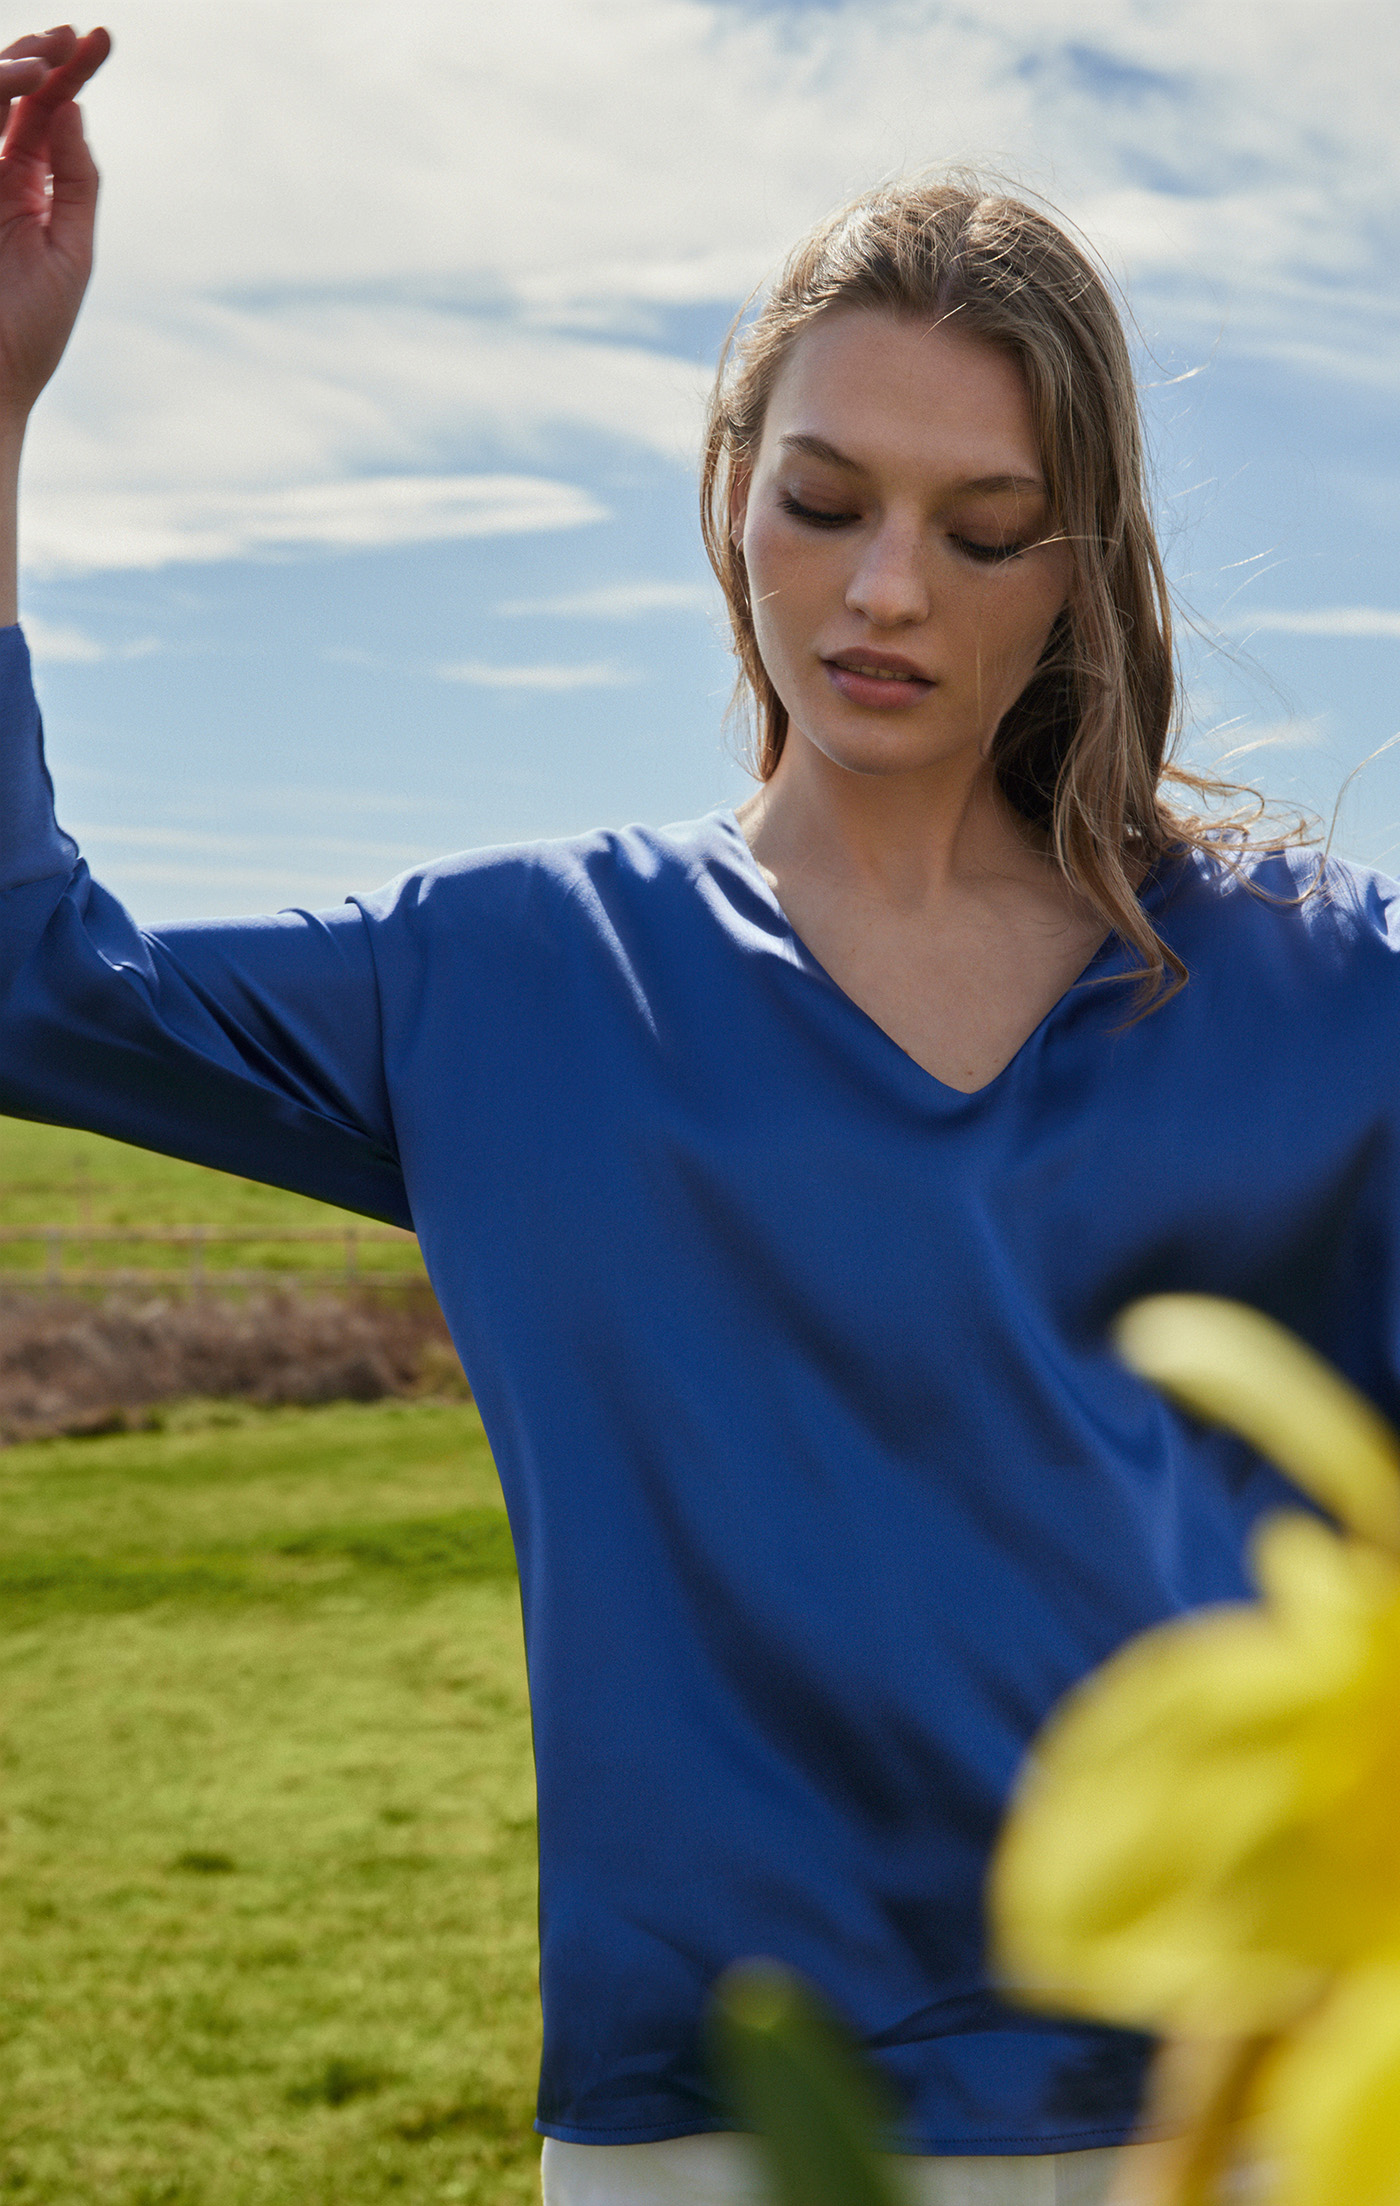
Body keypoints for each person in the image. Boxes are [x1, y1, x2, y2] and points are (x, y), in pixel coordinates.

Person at [2, 27, 1397, 2206]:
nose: (886, 590)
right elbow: (33, 980)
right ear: (731, 483)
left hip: (1243, 2109)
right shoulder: (513, 979)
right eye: (825, 502)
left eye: (982, 529)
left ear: (1077, 564)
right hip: (710, 2128)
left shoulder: (1324, 989)